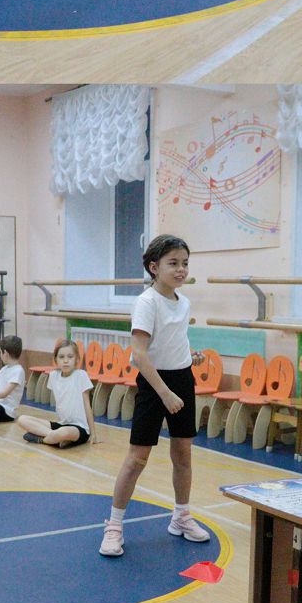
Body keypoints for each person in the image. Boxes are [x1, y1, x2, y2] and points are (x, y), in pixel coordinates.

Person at [99, 235, 209, 558]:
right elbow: (139, 354)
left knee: (183, 455)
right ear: (153, 267)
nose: (181, 269)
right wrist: (165, 393)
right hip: (154, 383)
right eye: (173, 263)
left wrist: (189, 356)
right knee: (137, 459)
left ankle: (181, 516)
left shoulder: (183, 302)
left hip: (182, 379)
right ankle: (114, 526)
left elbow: (173, 339)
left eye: (185, 263)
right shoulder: (147, 302)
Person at [16, 340, 95, 448]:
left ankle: (42, 439)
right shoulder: (53, 376)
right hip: (61, 424)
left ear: (77, 359)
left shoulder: (81, 375)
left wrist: (93, 433)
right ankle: (54, 438)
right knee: (22, 419)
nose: (66, 361)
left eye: (70, 357)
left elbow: (87, 405)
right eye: (61, 357)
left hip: (78, 428)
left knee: (64, 432)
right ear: (56, 359)